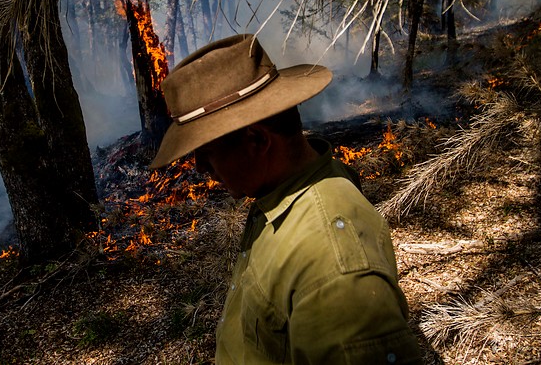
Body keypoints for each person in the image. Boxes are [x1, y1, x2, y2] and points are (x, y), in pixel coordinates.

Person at [150, 34, 423, 364]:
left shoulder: (334, 268)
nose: (199, 167)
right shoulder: (281, 191)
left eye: (206, 152)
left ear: (256, 140)